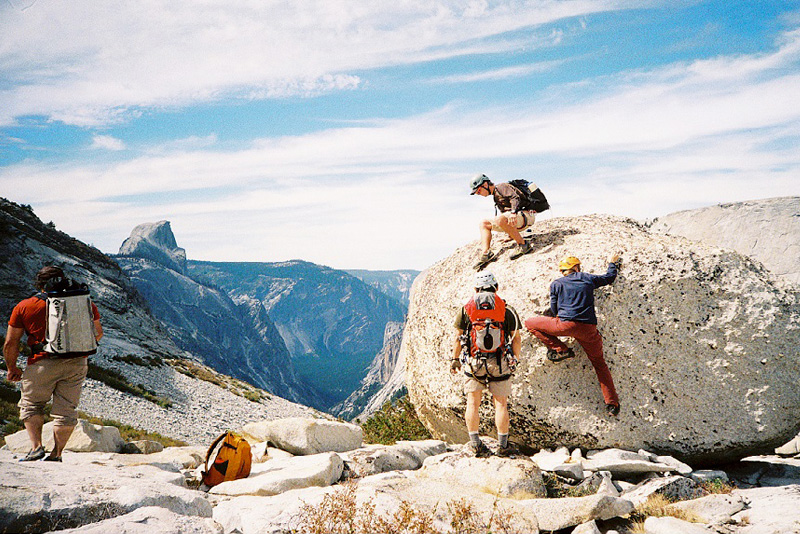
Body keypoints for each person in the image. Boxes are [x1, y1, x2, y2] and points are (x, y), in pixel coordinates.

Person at [3, 266, 103, 462]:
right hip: (77, 363)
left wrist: (12, 368)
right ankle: (56, 454)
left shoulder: (25, 306)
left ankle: (36, 447)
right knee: (66, 411)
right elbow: (97, 333)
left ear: (40, 284)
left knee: (31, 405)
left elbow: (10, 342)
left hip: (42, 363)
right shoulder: (83, 303)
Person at [524, 254, 621, 416]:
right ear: (576, 268)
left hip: (565, 325)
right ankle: (612, 404)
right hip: (588, 328)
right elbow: (609, 278)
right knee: (599, 363)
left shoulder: (556, 284)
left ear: (563, 271)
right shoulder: (587, 279)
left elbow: (554, 309)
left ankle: (561, 349)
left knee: (529, 323)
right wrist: (612, 263)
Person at [450, 271, 522, 457]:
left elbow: (458, 338)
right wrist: (515, 359)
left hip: (474, 362)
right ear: (496, 288)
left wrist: (455, 359)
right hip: (499, 362)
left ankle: (475, 444)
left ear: (476, 289)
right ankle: (503, 446)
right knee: (501, 405)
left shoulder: (466, 308)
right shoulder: (506, 309)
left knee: (473, 403)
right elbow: (516, 339)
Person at [469, 174, 542, 269]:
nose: (479, 194)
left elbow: (515, 197)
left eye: (478, 191)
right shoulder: (496, 196)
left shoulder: (501, 187)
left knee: (499, 219)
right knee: (484, 223)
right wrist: (511, 234)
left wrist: (513, 212)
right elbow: (504, 217)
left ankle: (523, 245)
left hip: (526, 215)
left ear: (485, 184)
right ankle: (486, 253)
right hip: (518, 219)